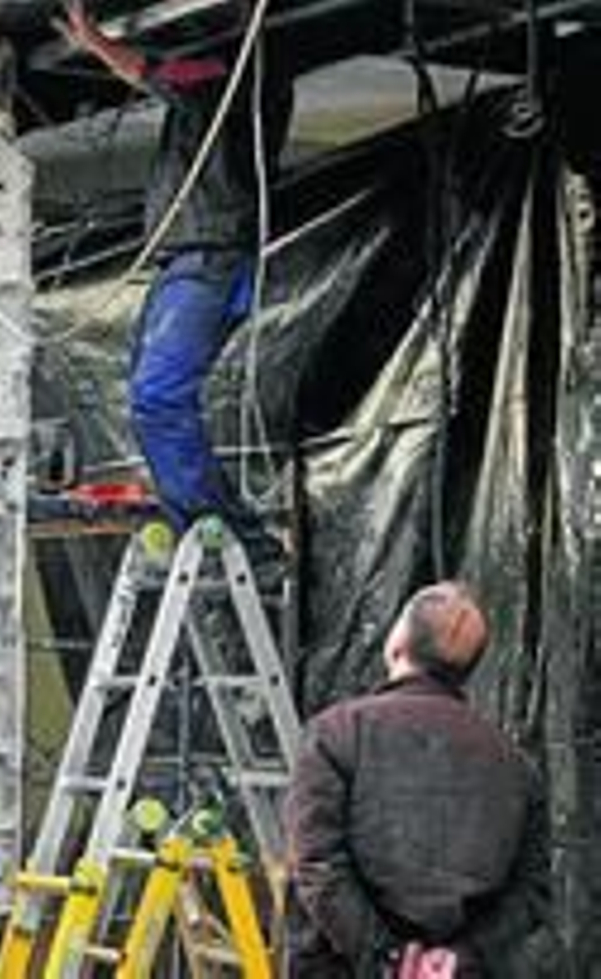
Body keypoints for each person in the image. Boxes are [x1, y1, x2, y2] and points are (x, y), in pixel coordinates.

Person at [61, 1, 295, 567]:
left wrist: (95, 42)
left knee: (157, 397)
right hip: (189, 259)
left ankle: (238, 540)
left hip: (210, 255)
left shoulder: (242, 72)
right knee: (149, 399)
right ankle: (205, 525)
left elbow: (162, 74)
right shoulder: (223, 81)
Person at [285, 582, 560, 977]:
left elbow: (318, 865)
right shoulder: (517, 766)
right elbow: (531, 894)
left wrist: (390, 960)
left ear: (397, 642)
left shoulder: (336, 732)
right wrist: (458, 958)